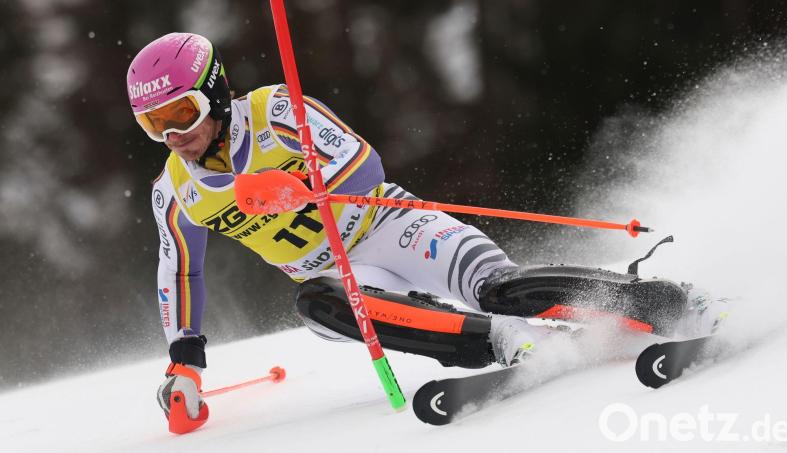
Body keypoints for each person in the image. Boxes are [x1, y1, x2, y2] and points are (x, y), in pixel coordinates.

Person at [127, 33, 727, 425]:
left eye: (182, 112)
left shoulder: (276, 112)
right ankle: (506, 343)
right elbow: (180, 268)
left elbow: (364, 165)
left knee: (497, 288)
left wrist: (297, 187)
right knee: (320, 305)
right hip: (338, 270)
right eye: (154, 122)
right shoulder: (172, 190)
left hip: (388, 223)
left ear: (215, 92)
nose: (173, 133)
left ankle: (673, 302)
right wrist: (185, 361)